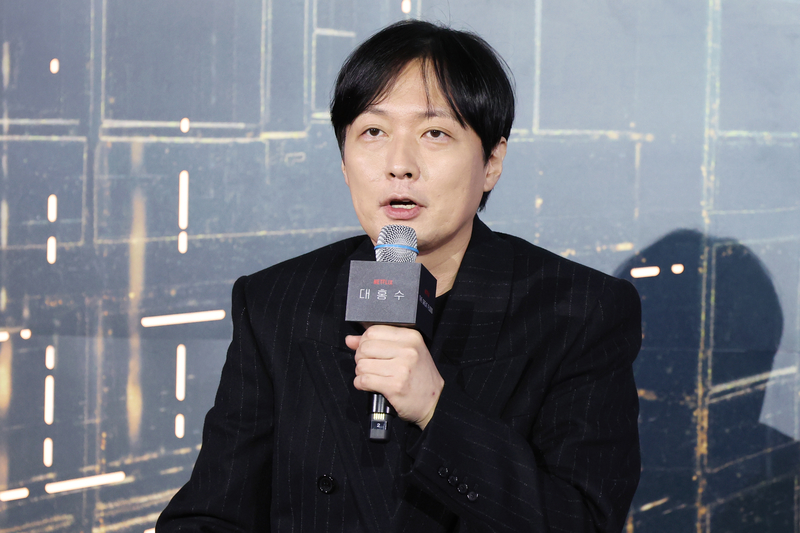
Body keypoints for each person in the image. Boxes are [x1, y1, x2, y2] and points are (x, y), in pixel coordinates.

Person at [157, 20, 641, 533]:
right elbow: (210, 516)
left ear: (492, 162)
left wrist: (437, 410)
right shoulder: (276, 302)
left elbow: (584, 522)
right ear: (344, 160)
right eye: (373, 132)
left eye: (435, 134)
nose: (399, 165)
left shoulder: (580, 311)